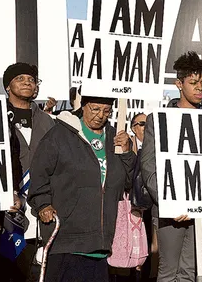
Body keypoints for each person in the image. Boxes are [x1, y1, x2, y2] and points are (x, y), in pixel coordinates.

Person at [28, 95, 135, 282]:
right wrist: (42, 204)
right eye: (95, 109)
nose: (100, 115)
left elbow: (127, 183)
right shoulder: (59, 135)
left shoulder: (114, 138)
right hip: (66, 239)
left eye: (106, 111)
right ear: (83, 106)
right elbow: (38, 175)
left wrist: (126, 153)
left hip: (100, 243)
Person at [140, 51, 202, 282]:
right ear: (179, 84)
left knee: (189, 272)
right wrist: (169, 202)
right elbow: (148, 166)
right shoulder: (159, 118)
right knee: (167, 271)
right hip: (169, 210)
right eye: (193, 83)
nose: (199, 88)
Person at [3, 62, 56, 281]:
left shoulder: (49, 122)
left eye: (31, 79)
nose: (27, 82)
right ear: (7, 86)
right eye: (20, 78)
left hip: (41, 208)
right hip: (7, 210)